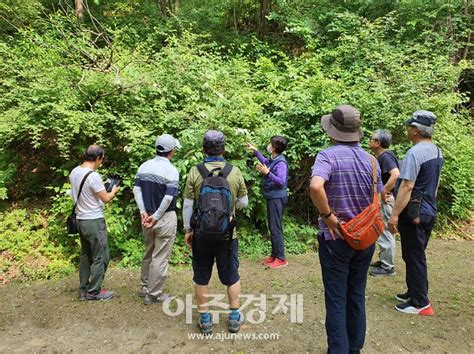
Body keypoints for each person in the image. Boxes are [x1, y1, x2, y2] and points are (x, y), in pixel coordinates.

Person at [310, 105, 383, 354]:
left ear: (333, 131)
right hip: (365, 240)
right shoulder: (372, 161)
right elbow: (379, 198)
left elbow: (316, 186)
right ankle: (355, 348)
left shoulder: (327, 156)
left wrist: (328, 215)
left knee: (336, 298)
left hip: (335, 239)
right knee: (356, 294)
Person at [183, 130, 248, 335]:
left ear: (203, 149)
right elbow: (244, 203)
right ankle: (235, 318)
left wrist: (187, 230)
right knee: (231, 276)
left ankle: (205, 320)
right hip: (228, 235)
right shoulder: (234, 171)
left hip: (201, 234)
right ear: (224, 149)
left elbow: (187, 204)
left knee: (201, 276)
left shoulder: (196, 171)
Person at [388, 110, 443, 316]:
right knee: (414, 254)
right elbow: (434, 184)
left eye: (410, 127)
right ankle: (413, 292)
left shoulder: (415, 153)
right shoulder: (436, 151)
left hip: (414, 214)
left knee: (415, 256)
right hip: (428, 210)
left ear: (416, 130)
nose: (408, 130)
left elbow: (407, 186)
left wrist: (394, 215)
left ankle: (421, 303)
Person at [133, 134, 180, 305]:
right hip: (164, 217)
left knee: (148, 252)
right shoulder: (172, 170)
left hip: (147, 217)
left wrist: (144, 212)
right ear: (171, 151)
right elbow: (168, 198)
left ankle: (145, 286)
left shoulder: (144, 166)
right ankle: (154, 294)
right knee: (160, 256)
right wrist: (156, 217)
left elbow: (136, 190)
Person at [69, 144, 119, 301]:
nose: (101, 162)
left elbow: (86, 193)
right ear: (98, 158)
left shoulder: (74, 172)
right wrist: (113, 191)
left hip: (80, 219)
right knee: (101, 256)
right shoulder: (93, 176)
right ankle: (94, 291)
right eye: (102, 160)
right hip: (94, 221)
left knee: (86, 254)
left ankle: (83, 289)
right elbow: (106, 199)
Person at [245, 136, 289, 269]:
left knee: (275, 227)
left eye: (270, 143)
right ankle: (274, 255)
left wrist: (267, 173)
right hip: (272, 197)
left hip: (277, 197)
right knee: (273, 226)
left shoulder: (281, 163)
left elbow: (281, 181)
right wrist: (255, 151)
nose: (268, 145)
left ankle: (281, 258)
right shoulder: (274, 158)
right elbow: (265, 161)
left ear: (275, 147)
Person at [368, 129, 400, 276]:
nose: (369, 141)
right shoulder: (383, 156)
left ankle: (388, 267)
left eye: (371, 139)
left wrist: (384, 191)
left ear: (377, 143)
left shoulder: (386, 157)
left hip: (385, 200)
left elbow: (395, 174)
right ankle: (384, 260)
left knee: (385, 231)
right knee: (382, 230)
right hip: (384, 199)